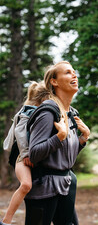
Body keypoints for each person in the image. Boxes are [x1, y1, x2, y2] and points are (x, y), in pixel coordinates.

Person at [24, 61, 90, 225]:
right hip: (44, 187)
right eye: (67, 72)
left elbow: (64, 156)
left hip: (66, 183)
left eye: (74, 72)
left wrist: (83, 138)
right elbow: (35, 154)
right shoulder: (48, 112)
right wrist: (59, 136)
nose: (74, 74)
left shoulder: (71, 113)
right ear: (54, 81)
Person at [0, 81, 50, 225]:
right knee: (26, 185)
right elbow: (20, 133)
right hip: (21, 156)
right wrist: (26, 153)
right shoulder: (28, 111)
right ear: (44, 98)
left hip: (30, 155)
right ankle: (6, 221)